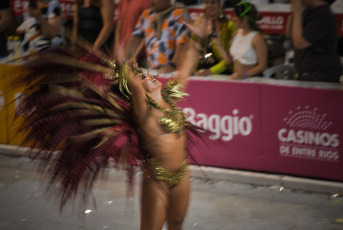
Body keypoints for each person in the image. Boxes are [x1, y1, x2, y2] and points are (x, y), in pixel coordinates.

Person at [10, 16, 206, 229]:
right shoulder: (144, 112)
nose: (150, 77)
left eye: (148, 75)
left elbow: (185, 69)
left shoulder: (170, 97)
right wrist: (120, 61)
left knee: (177, 223)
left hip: (182, 174)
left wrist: (197, 37)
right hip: (157, 179)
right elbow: (132, 81)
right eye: (144, 79)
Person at [285, 0, 343, 82]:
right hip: (307, 72)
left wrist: (298, 14)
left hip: (321, 73)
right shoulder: (307, 11)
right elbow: (289, 35)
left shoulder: (322, 15)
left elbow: (300, 43)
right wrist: (294, 14)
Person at [125, 0, 190, 73]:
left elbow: (183, 43)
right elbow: (134, 39)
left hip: (174, 71)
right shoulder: (147, 15)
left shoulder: (179, 14)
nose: (152, 1)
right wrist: (124, 61)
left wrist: (172, 65)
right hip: (153, 70)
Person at [214, 0, 267, 79]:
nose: (233, 19)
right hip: (236, 79)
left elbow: (262, 66)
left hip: (252, 80)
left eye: (235, 16)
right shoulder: (235, 34)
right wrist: (218, 45)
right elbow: (229, 60)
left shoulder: (257, 38)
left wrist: (244, 74)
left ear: (244, 19)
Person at [193, 0, 237, 76]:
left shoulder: (229, 25)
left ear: (220, 5)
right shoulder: (199, 22)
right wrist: (192, 69)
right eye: (207, 2)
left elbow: (231, 57)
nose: (209, 5)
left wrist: (211, 71)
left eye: (213, 2)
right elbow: (193, 48)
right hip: (200, 70)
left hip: (222, 72)